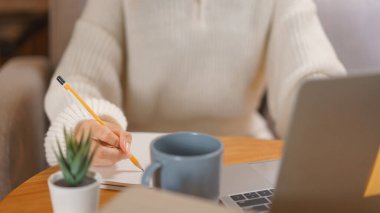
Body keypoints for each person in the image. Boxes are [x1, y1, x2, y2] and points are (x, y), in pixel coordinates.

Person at [44, 0, 346, 166]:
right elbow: (76, 77)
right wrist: (89, 122)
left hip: (245, 154)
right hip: (138, 159)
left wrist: (336, 118)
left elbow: (311, 81)